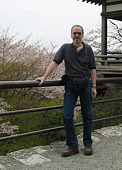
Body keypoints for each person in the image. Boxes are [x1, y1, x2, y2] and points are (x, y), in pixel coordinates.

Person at [35, 25, 97, 157]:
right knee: (67, 115)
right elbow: (55, 62)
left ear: (83, 35)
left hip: (86, 84)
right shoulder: (65, 48)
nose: (77, 36)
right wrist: (44, 77)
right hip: (70, 84)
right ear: (71, 35)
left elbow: (92, 68)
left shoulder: (88, 49)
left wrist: (94, 86)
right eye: (75, 33)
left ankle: (88, 144)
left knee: (87, 115)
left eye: (79, 34)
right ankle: (73, 145)